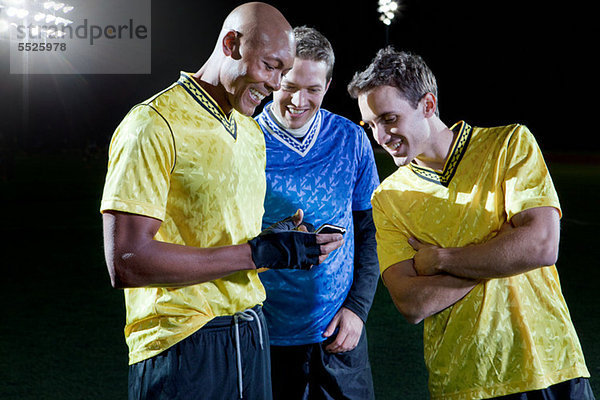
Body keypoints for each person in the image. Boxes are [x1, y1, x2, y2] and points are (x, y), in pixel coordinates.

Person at [100, 4, 344, 399]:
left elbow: (225, 239)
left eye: (283, 72)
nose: (277, 83)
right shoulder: (152, 124)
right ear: (232, 44)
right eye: (271, 66)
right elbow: (126, 260)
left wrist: (275, 241)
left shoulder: (250, 132)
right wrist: (256, 253)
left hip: (250, 333)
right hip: (181, 342)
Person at [347, 47, 595, 400]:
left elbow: (541, 245)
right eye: (371, 125)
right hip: (462, 382)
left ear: (428, 105)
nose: (380, 137)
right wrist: (505, 248)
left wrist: (441, 261)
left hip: (551, 367)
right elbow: (412, 303)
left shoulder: (508, 144)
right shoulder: (388, 197)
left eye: (388, 118)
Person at [255, 26, 380, 399]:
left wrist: (357, 309)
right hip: (265, 333)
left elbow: (371, 230)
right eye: (289, 86)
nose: (298, 100)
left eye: (312, 89)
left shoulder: (351, 139)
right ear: (274, 78)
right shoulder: (244, 141)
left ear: (328, 85)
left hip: (340, 333)